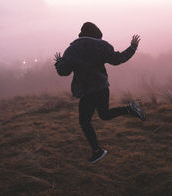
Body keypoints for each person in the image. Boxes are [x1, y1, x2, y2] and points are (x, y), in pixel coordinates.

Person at [54, 22, 146, 163]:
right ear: (96, 35)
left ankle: (97, 151)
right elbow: (118, 59)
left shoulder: (72, 50)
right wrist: (133, 47)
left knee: (84, 121)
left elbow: (64, 71)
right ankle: (130, 109)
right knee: (104, 114)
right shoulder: (102, 46)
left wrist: (59, 61)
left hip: (87, 91)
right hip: (102, 88)